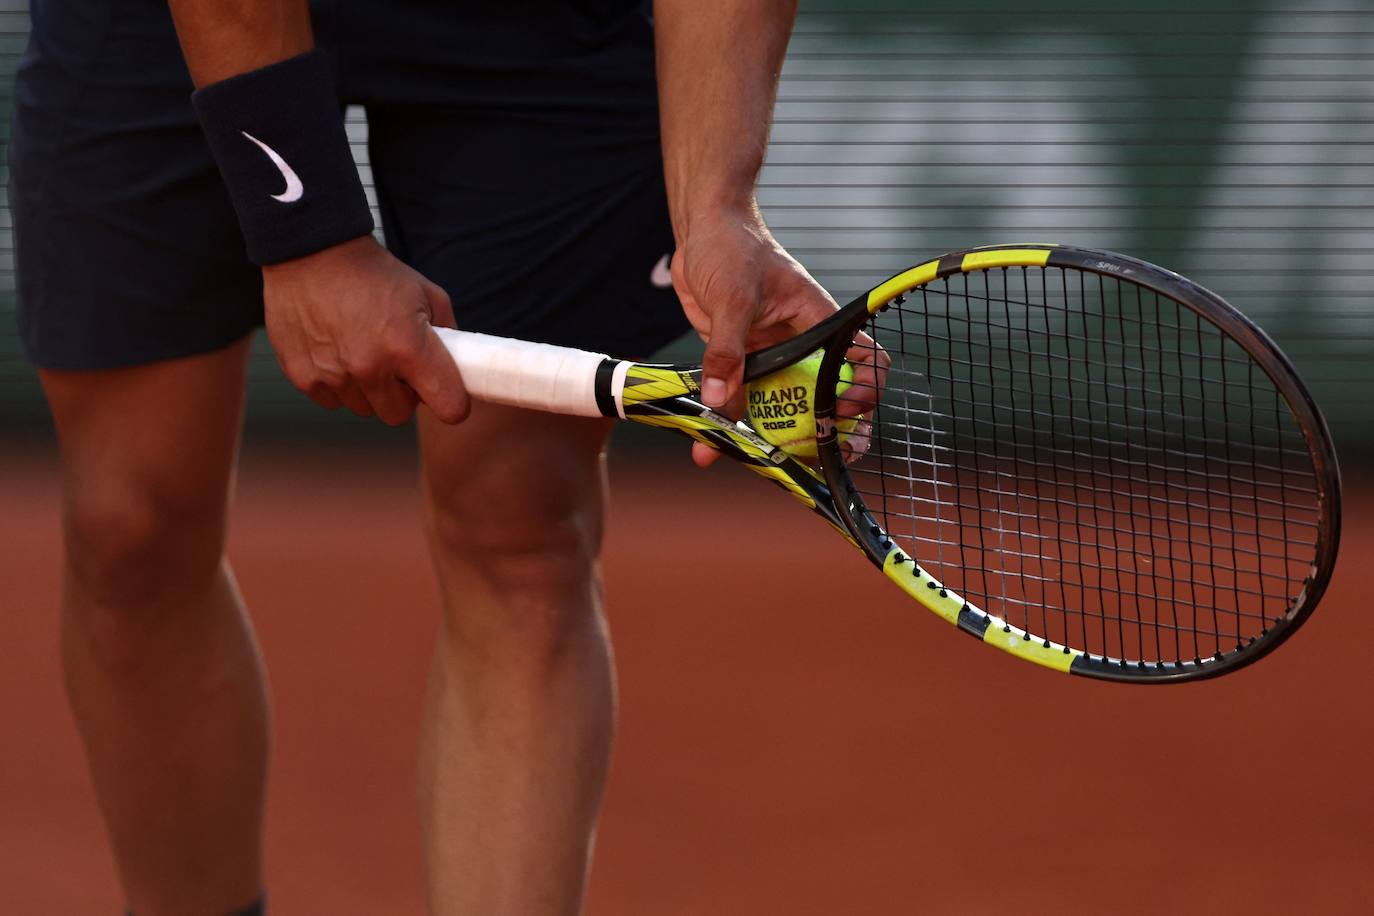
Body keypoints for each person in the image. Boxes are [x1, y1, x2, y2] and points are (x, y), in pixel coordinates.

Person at [8, 1, 841, 913]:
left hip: (542, 33)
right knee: (131, 527)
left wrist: (717, 203)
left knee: (522, 523)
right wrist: (308, 238)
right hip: (160, 24)